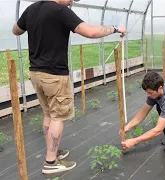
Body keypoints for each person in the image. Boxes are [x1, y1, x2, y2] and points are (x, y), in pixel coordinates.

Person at [12, 0, 126, 174]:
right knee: (58, 116)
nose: (71, 1)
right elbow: (89, 31)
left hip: (36, 73)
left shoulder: (31, 9)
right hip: (55, 75)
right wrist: (116, 28)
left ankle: (53, 150)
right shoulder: (60, 11)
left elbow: (16, 30)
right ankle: (51, 162)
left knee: (48, 114)